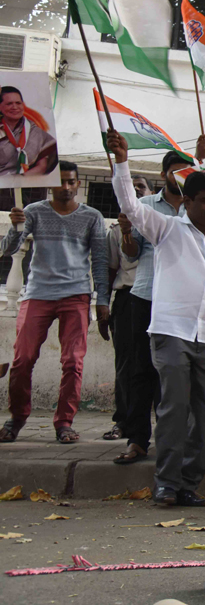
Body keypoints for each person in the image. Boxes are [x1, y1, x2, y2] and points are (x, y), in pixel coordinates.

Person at [106, 129, 205, 507]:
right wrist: (122, 162)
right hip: (171, 332)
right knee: (174, 410)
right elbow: (130, 205)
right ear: (187, 201)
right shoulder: (166, 229)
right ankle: (166, 482)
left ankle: (189, 483)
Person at [0, 161, 109, 444]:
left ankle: (64, 423)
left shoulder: (92, 216)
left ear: (78, 184)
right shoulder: (34, 211)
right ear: (50, 184)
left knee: (73, 361)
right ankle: (17, 418)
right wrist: (15, 228)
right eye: (61, 181)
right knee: (22, 360)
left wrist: (102, 300)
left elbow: (100, 260)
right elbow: (9, 250)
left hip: (76, 295)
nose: (66, 187)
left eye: (72, 182)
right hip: (38, 293)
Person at [113, 150, 199, 465]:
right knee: (140, 371)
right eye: (174, 172)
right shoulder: (146, 207)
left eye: (185, 172)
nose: (179, 177)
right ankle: (137, 439)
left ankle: (171, 441)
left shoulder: (196, 209)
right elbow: (132, 254)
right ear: (163, 174)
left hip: (181, 302)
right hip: (146, 295)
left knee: (176, 375)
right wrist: (125, 232)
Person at [104, 175, 151, 441]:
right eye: (129, 189)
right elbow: (110, 270)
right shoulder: (114, 230)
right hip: (126, 299)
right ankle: (123, 421)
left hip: (157, 299)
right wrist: (103, 304)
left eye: (140, 188)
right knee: (126, 364)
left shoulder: (160, 226)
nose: (135, 191)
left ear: (151, 194)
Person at [0, 86, 57, 177]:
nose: (15, 107)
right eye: (9, 103)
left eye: (18, 103)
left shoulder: (36, 133)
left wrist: (19, 180)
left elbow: (42, 166)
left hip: (27, 185)